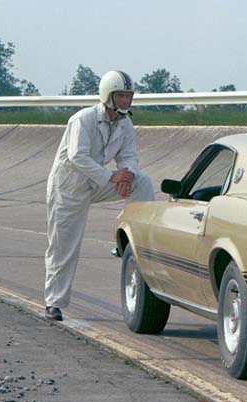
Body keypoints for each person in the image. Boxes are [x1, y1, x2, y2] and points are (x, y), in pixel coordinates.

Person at [43, 70, 154, 321]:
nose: (126, 100)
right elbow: (77, 156)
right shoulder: (83, 119)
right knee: (64, 246)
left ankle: (133, 237)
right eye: (121, 95)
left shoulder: (125, 124)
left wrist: (127, 176)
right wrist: (111, 177)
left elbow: (128, 156)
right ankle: (53, 303)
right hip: (68, 187)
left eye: (129, 96)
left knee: (142, 181)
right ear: (108, 95)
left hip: (98, 181)